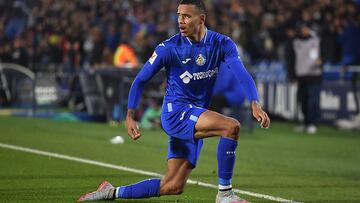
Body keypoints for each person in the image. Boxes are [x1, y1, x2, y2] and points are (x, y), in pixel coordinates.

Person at [77, 1, 270, 203]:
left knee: (172, 186)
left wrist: (254, 101)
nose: (180, 20)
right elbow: (140, 80)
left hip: (195, 114)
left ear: (201, 19)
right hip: (176, 113)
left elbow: (242, 73)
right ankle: (225, 195)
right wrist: (130, 115)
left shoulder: (222, 43)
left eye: (186, 16)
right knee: (231, 127)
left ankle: (110, 192)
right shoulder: (168, 48)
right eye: (179, 15)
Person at [292, 24, 322, 134]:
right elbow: (292, 59)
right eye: (303, 29)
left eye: (306, 28)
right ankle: (306, 123)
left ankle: (313, 124)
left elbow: (327, 52)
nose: (304, 31)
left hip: (314, 75)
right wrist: (293, 76)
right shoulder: (296, 42)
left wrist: (322, 61)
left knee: (313, 101)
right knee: (303, 102)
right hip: (301, 76)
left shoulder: (317, 41)